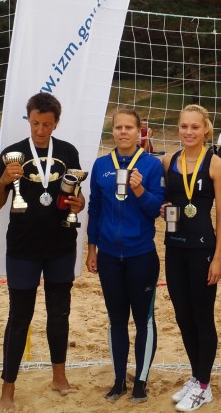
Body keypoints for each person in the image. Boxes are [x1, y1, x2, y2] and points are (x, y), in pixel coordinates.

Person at [0, 93, 85, 413]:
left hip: (60, 247)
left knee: (59, 314)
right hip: (23, 250)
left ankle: (59, 376)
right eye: (35, 123)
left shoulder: (68, 152)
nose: (40, 130)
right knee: (19, 318)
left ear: (56, 123)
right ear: (28, 120)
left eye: (46, 124)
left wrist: (79, 204)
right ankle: (7, 389)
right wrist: (4, 180)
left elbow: (77, 198)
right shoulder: (12, 155)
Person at [85, 109, 165, 403]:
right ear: (113, 131)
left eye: (129, 127)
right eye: (118, 127)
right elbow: (95, 208)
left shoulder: (151, 164)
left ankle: (141, 381)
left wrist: (140, 189)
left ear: (139, 131)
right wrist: (92, 248)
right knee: (116, 319)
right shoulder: (101, 165)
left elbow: (157, 209)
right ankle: (119, 379)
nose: (123, 132)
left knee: (144, 319)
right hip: (108, 256)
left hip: (141, 254)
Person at [161, 104, 221, 412]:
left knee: (202, 316)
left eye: (195, 127)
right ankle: (196, 376)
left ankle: (204, 385)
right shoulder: (168, 161)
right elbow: (165, 202)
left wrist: (218, 258)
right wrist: (162, 208)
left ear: (206, 130)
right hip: (174, 248)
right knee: (182, 316)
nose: (189, 132)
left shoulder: (216, 164)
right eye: (184, 126)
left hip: (203, 250)